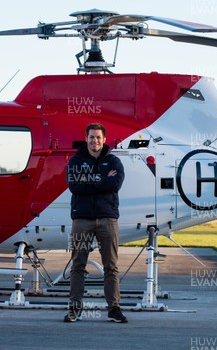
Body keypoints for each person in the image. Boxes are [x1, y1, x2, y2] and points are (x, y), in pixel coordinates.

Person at [64, 122, 127, 323]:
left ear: (104, 139)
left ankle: (114, 308)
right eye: (91, 137)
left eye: (98, 137)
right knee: (78, 265)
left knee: (111, 265)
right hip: (82, 220)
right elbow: (75, 186)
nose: (95, 141)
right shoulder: (75, 160)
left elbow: (115, 184)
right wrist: (102, 180)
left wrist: (90, 179)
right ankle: (74, 308)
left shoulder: (114, 161)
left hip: (107, 220)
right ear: (86, 138)